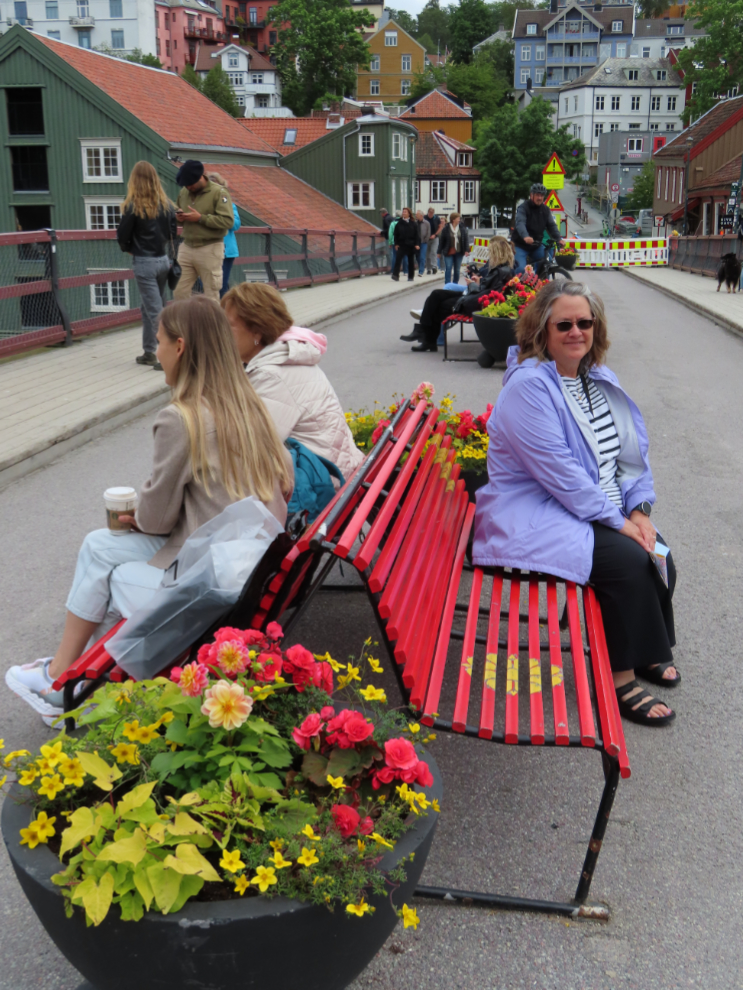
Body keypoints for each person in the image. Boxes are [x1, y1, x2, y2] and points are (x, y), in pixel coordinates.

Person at [6, 296, 293, 723]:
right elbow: (284, 483)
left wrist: (136, 514)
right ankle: (64, 674)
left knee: (111, 572)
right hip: (251, 569)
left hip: (210, 587)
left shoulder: (183, 417)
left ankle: (65, 686)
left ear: (180, 347)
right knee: (99, 547)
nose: (155, 351)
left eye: (158, 342)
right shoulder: (253, 407)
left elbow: (157, 519)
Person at [472, 280, 678, 726]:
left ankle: (647, 650)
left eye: (584, 322)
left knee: (660, 552)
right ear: (541, 330)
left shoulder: (600, 378)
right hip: (534, 510)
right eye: (563, 323)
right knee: (630, 561)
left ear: (596, 327)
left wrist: (639, 510)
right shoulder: (529, 387)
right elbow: (559, 473)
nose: (575, 332)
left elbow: (630, 454)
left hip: (593, 506)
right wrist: (619, 522)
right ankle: (620, 678)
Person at [221, 282, 364, 481]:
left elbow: (246, 453)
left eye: (229, 326)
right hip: (336, 475)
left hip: (323, 490)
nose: (221, 335)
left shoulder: (272, 374)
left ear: (256, 331)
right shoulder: (286, 358)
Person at [402, 236, 515, 353]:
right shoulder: (502, 269)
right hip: (474, 296)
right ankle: (424, 334)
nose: (489, 256)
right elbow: (487, 288)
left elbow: (485, 292)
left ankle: (427, 339)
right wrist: (477, 282)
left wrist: (473, 284)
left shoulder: (499, 271)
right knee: (436, 295)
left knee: (439, 305)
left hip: (473, 300)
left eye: (491, 252)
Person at [116, 161, 177, 369]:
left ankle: (167, 356)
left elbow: (122, 236)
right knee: (151, 306)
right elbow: (173, 232)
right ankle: (149, 351)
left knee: (154, 311)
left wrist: (129, 248)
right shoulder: (166, 204)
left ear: (135, 180)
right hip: (162, 261)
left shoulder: (133, 205)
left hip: (144, 262)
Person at [173, 160, 235, 303]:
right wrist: (178, 217)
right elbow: (178, 214)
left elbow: (227, 221)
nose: (188, 187)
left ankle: (212, 324)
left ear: (201, 176)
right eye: (186, 185)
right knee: (179, 290)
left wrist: (200, 218)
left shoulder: (219, 193)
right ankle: (185, 324)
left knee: (211, 294)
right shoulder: (184, 192)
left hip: (210, 247)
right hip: (187, 246)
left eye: (191, 184)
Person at [512, 183, 565, 275]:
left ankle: (542, 285)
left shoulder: (545, 210)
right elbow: (520, 223)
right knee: (520, 269)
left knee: (546, 265)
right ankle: (518, 287)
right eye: (537, 195)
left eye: (542, 195)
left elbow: (552, 226)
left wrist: (559, 239)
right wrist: (525, 236)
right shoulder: (523, 208)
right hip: (520, 245)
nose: (539, 198)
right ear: (531, 195)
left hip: (536, 245)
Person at [207, 171, 241, 299]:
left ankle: (224, 314)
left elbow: (236, 224)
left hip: (226, 251)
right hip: (207, 249)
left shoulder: (229, 205)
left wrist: (221, 218)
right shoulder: (202, 206)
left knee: (220, 285)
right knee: (207, 284)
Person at [438, 212, 470, 285]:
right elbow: (442, 241)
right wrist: (439, 252)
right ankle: (447, 284)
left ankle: (455, 284)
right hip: (448, 251)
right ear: (453, 219)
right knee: (448, 268)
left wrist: (466, 250)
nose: (459, 220)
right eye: (458, 218)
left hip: (459, 252)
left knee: (457, 269)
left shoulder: (462, 228)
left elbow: (465, 239)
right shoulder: (446, 228)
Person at [391, 207, 419, 282]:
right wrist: (396, 244)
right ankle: (395, 275)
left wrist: (416, 244)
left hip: (411, 244)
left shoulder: (413, 224)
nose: (404, 213)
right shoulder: (399, 223)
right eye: (403, 212)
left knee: (410, 261)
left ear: (409, 213)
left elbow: (417, 235)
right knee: (398, 259)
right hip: (401, 244)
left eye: (405, 212)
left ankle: (410, 276)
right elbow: (396, 234)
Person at [426, 207, 442, 273]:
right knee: (427, 254)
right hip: (426, 238)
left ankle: (434, 266)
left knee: (433, 251)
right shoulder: (425, 218)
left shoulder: (436, 218)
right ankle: (428, 268)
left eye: (432, 213)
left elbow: (440, 227)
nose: (430, 214)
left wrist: (435, 234)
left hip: (435, 237)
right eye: (430, 213)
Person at [415, 210, 431, 277]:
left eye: (417, 215)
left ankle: (421, 271)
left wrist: (426, 239)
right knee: (417, 256)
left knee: (422, 256)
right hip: (416, 242)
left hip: (424, 242)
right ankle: (421, 266)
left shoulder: (426, 223)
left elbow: (428, 232)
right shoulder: (415, 223)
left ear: (421, 216)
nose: (416, 216)